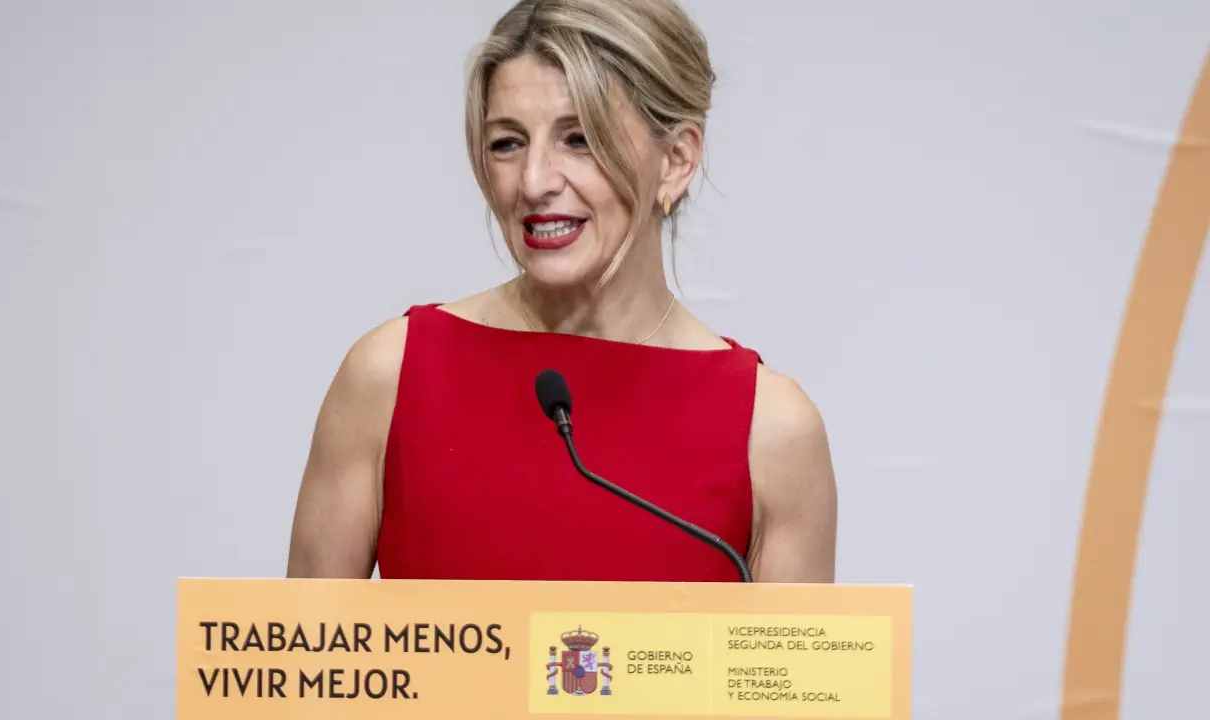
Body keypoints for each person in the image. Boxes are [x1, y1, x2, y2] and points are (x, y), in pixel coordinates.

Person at [286, 0, 837, 583]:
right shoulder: (390, 374)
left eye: (579, 139)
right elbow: (305, 643)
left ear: (676, 160)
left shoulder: (772, 429)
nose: (534, 182)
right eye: (507, 143)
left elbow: (787, 651)